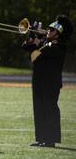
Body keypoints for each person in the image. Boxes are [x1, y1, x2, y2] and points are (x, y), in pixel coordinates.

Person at [22, 15, 73, 148]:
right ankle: (41, 138)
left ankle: (51, 140)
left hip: (51, 83)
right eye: (48, 29)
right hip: (38, 80)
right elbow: (26, 47)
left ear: (58, 34)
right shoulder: (45, 42)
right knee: (38, 109)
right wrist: (31, 34)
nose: (48, 31)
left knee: (49, 110)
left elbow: (35, 56)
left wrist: (37, 41)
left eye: (52, 30)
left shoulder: (59, 46)